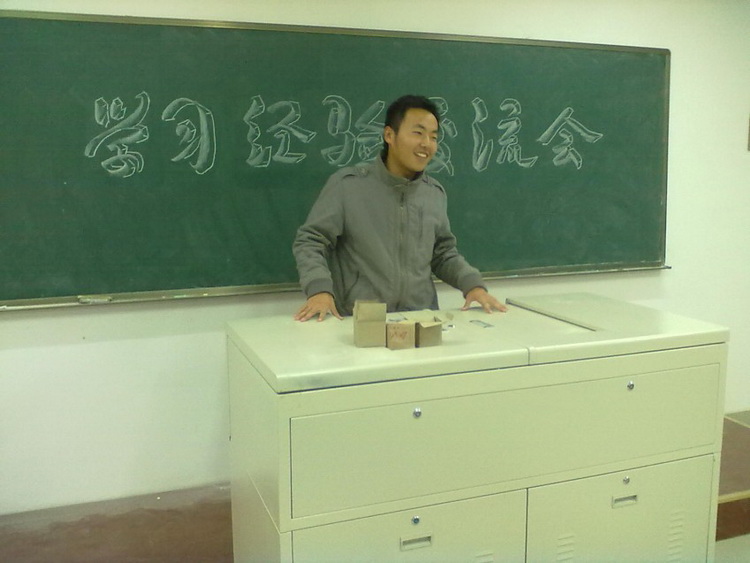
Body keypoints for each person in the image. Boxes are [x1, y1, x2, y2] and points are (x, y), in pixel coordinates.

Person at [293, 94, 506, 322]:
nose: (426, 143)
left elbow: (443, 254)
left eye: (433, 137)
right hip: (362, 321)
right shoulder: (348, 186)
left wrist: (473, 286)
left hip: (420, 320)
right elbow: (311, 241)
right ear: (389, 135)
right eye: (418, 133)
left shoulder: (433, 193)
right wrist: (319, 291)